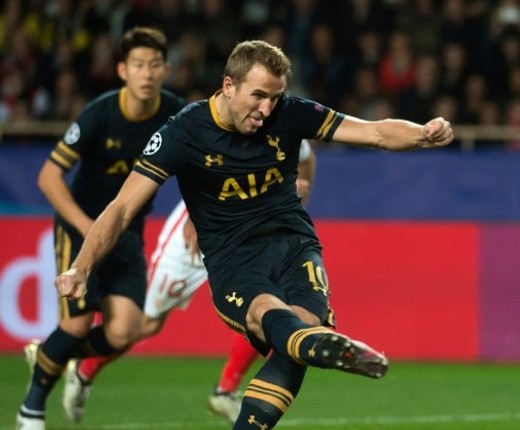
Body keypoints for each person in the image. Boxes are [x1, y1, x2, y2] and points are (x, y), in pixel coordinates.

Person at [53, 39, 453, 430]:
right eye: (258, 95)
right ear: (229, 86)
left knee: (299, 332)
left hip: (294, 243)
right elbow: (122, 207)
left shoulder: (291, 113)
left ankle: (310, 344)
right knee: (268, 316)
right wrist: (82, 267)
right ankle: (314, 345)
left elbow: (376, 133)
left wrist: (423, 134)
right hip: (233, 258)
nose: (266, 109)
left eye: (275, 97)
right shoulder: (183, 132)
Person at [60, 140, 317, 424]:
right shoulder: (225, 125)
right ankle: (80, 366)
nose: (266, 106)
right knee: (145, 323)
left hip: (249, 234)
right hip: (197, 233)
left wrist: (299, 191)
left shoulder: (286, 125)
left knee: (270, 306)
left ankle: (225, 390)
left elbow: (306, 157)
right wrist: (196, 216)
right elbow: (195, 166)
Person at [17, 27, 185, 430]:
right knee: (76, 324)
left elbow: (195, 169)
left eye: (155, 65)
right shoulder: (100, 113)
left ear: (165, 70)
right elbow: (49, 177)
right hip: (81, 226)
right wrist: (86, 226)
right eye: (139, 65)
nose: (147, 73)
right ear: (122, 70)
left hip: (127, 231)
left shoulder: (176, 114)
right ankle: (31, 411)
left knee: (126, 330)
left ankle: (49, 355)